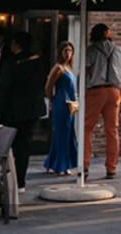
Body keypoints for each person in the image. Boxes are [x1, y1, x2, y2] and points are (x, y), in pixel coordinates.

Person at [0, 30, 47, 189]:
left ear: (15, 44)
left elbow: (3, 89)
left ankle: (9, 179)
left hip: (12, 111)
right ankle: (20, 181)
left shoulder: (11, 63)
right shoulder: (39, 62)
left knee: (7, 146)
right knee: (24, 146)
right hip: (31, 110)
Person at [83, 23, 121, 179]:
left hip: (95, 91)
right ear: (106, 33)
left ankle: (84, 166)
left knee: (86, 129)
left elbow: (85, 71)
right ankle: (111, 168)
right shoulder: (119, 50)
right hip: (114, 92)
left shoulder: (90, 50)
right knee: (112, 131)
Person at [43, 41, 79, 177]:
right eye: (65, 50)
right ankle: (61, 166)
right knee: (62, 134)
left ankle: (53, 163)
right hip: (61, 104)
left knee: (67, 134)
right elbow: (48, 86)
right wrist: (52, 100)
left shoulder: (69, 68)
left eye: (70, 50)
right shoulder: (58, 68)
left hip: (70, 104)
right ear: (60, 52)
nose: (68, 53)